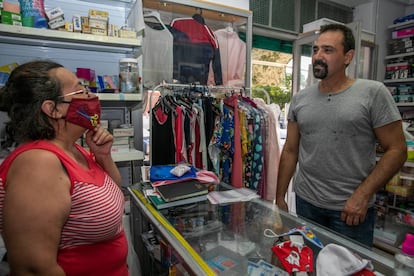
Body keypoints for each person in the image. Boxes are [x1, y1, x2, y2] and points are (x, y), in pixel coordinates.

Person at [275, 23, 407, 247]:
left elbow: (397, 150)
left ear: (348, 57)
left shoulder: (373, 93)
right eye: (315, 50)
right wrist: (279, 197)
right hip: (306, 202)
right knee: (311, 265)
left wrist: (363, 195)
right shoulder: (300, 99)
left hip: (350, 210)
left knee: (348, 269)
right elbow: (290, 150)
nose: (318, 56)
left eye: (327, 50)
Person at [0, 60, 129, 275]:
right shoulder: (39, 164)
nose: (90, 96)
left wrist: (103, 157)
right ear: (53, 109)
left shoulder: (75, 150)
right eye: (79, 90)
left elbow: (112, 192)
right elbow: (34, 268)